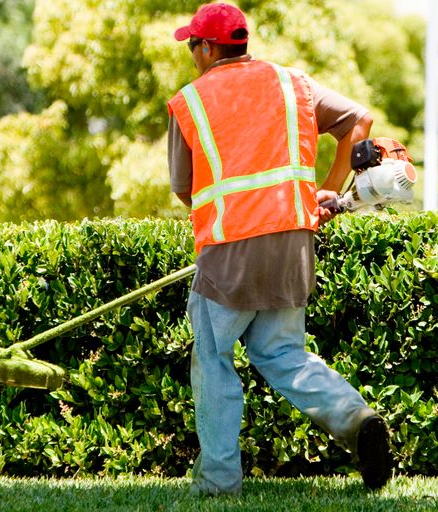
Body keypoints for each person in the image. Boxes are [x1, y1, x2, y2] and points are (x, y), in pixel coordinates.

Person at [167, 2, 392, 496]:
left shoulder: (191, 102)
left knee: (213, 360)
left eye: (192, 46)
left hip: (228, 255)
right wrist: (322, 193)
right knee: (284, 353)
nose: (192, 54)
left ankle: (218, 483)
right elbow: (361, 119)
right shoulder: (294, 83)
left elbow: (185, 190)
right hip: (293, 245)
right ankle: (356, 419)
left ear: (207, 48)